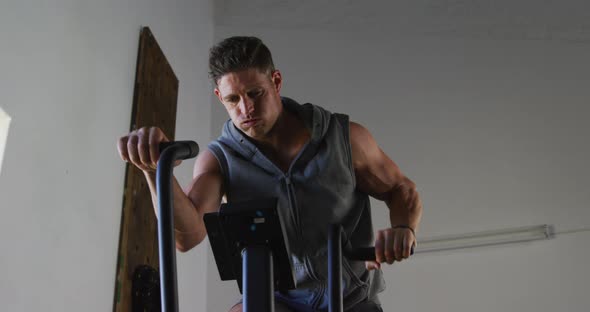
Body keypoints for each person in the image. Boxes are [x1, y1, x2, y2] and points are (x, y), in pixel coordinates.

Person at [117, 36, 422, 312]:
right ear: (219, 97)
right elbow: (188, 235)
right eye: (232, 99)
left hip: (352, 301)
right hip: (280, 301)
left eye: (254, 93)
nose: (246, 108)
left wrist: (404, 228)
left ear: (276, 81)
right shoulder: (220, 159)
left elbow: (400, 188)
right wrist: (156, 171)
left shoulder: (344, 139)